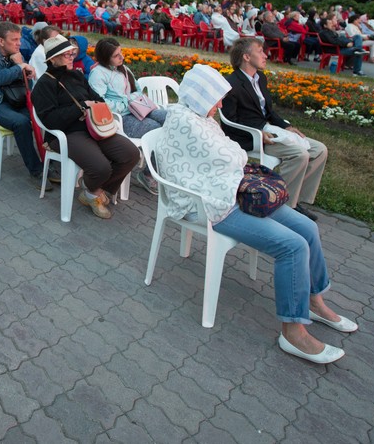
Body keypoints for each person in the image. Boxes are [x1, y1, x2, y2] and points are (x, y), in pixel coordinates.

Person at [157, 64, 355, 365]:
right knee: (292, 246)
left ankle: (314, 301)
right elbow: (232, 154)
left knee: (307, 230)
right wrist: (234, 156)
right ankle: (293, 332)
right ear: (200, 95)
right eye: (217, 98)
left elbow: (230, 154)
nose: (221, 105)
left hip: (230, 192)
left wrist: (233, 156)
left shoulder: (200, 116)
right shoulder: (185, 121)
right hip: (207, 204)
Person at [33, 35, 140, 219]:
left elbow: (97, 98)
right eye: (65, 54)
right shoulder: (45, 84)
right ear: (52, 59)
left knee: (130, 154)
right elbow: (50, 121)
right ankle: (95, 190)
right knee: (101, 167)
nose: (71, 57)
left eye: (72, 53)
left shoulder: (76, 75)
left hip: (93, 126)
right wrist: (80, 108)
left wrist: (91, 106)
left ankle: (92, 192)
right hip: (67, 133)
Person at [221, 38, 328, 220]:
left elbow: (269, 111)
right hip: (253, 136)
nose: (265, 55)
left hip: (270, 129)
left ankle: (294, 201)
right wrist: (258, 134)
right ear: (247, 57)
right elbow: (228, 122)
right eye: (260, 51)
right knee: (300, 155)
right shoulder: (232, 84)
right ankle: (280, 204)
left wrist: (287, 126)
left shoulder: (260, 78)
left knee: (320, 150)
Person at [0, 21, 49, 187]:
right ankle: (37, 170)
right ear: (1, 41)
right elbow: (0, 77)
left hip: (15, 100)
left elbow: (27, 83)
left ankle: (51, 161)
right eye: (14, 40)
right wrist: (20, 65)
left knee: (45, 114)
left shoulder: (15, 54)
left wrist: (27, 72)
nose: (19, 43)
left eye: (19, 39)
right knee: (21, 123)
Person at [88, 38, 165, 194]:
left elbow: (137, 89)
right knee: (158, 130)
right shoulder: (98, 74)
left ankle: (161, 171)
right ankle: (149, 175)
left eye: (121, 52)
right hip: (122, 118)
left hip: (139, 109)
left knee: (171, 120)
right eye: (116, 55)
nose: (121, 57)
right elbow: (99, 103)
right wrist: (126, 102)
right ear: (105, 57)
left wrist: (135, 99)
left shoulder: (123, 69)